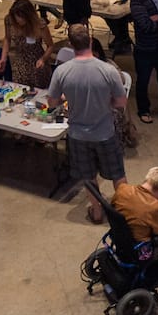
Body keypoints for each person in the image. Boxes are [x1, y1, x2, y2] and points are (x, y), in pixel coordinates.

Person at [47, 24, 129, 224]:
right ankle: (126, 211)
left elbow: (52, 102)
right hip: (105, 132)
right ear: (91, 41)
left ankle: (97, 211)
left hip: (78, 135)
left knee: (88, 175)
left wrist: (69, 97)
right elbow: (120, 103)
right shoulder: (108, 70)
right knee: (118, 174)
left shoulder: (62, 71)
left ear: (70, 44)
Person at [0, 0, 54, 89]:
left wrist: (43, 59)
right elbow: (7, 39)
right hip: (19, 63)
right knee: (19, 91)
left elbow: (50, 46)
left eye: (21, 18)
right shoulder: (9, 20)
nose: (18, 21)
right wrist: (3, 58)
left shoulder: (40, 25)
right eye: (16, 18)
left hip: (36, 64)